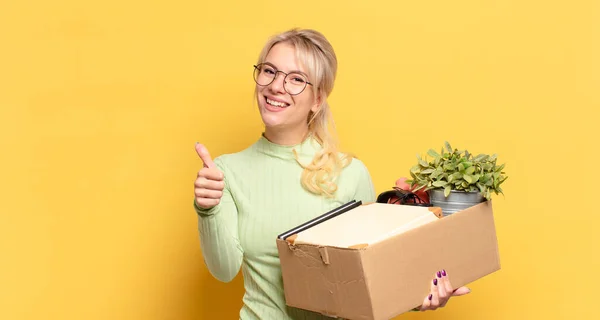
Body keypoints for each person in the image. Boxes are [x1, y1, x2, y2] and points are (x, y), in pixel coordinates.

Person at [193, 28, 470, 319]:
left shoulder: (349, 173)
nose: (276, 86)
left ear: (317, 99)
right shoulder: (224, 171)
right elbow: (223, 271)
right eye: (269, 71)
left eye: (296, 79)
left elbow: (371, 278)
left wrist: (420, 294)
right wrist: (207, 209)